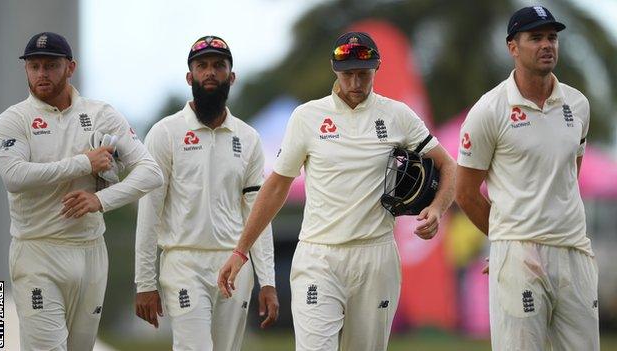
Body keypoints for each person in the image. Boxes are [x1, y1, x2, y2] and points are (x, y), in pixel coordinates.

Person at [218, 32, 456, 350]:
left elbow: (448, 166)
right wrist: (240, 250)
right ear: (335, 69)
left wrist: (438, 208)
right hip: (319, 256)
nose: (356, 82)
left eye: (364, 73)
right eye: (348, 74)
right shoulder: (307, 117)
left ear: (377, 68)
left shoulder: (398, 115)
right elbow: (276, 186)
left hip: (377, 256)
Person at [0, 32, 163, 350]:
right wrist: (83, 164)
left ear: (70, 67)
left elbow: (151, 172)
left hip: (91, 252)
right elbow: (14, 177)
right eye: (34, 66)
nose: (41, 74)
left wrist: (100, 200)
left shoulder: (101, 114)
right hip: (37, 251)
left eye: (50, 66)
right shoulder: (13, 120)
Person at [455, 6, 599, 350]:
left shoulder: (577, 105)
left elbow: (568, 176)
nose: (547, 44)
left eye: (551, 37)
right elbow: (465, 192)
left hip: (574, 252)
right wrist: (507, 240)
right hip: (519, 257)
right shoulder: (489, 110)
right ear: (513, 47)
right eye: (535, 38)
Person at [134, 35, 278, 351]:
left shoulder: (248, 138)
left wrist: (267, 281)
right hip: (184, 262)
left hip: (235, 262)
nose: (210, 72)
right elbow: (149, 209)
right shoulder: (165, 133)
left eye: (218, 65)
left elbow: (258, 212)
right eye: (202, 66)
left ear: (232, 76)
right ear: (190, 76)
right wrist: (144, 283)